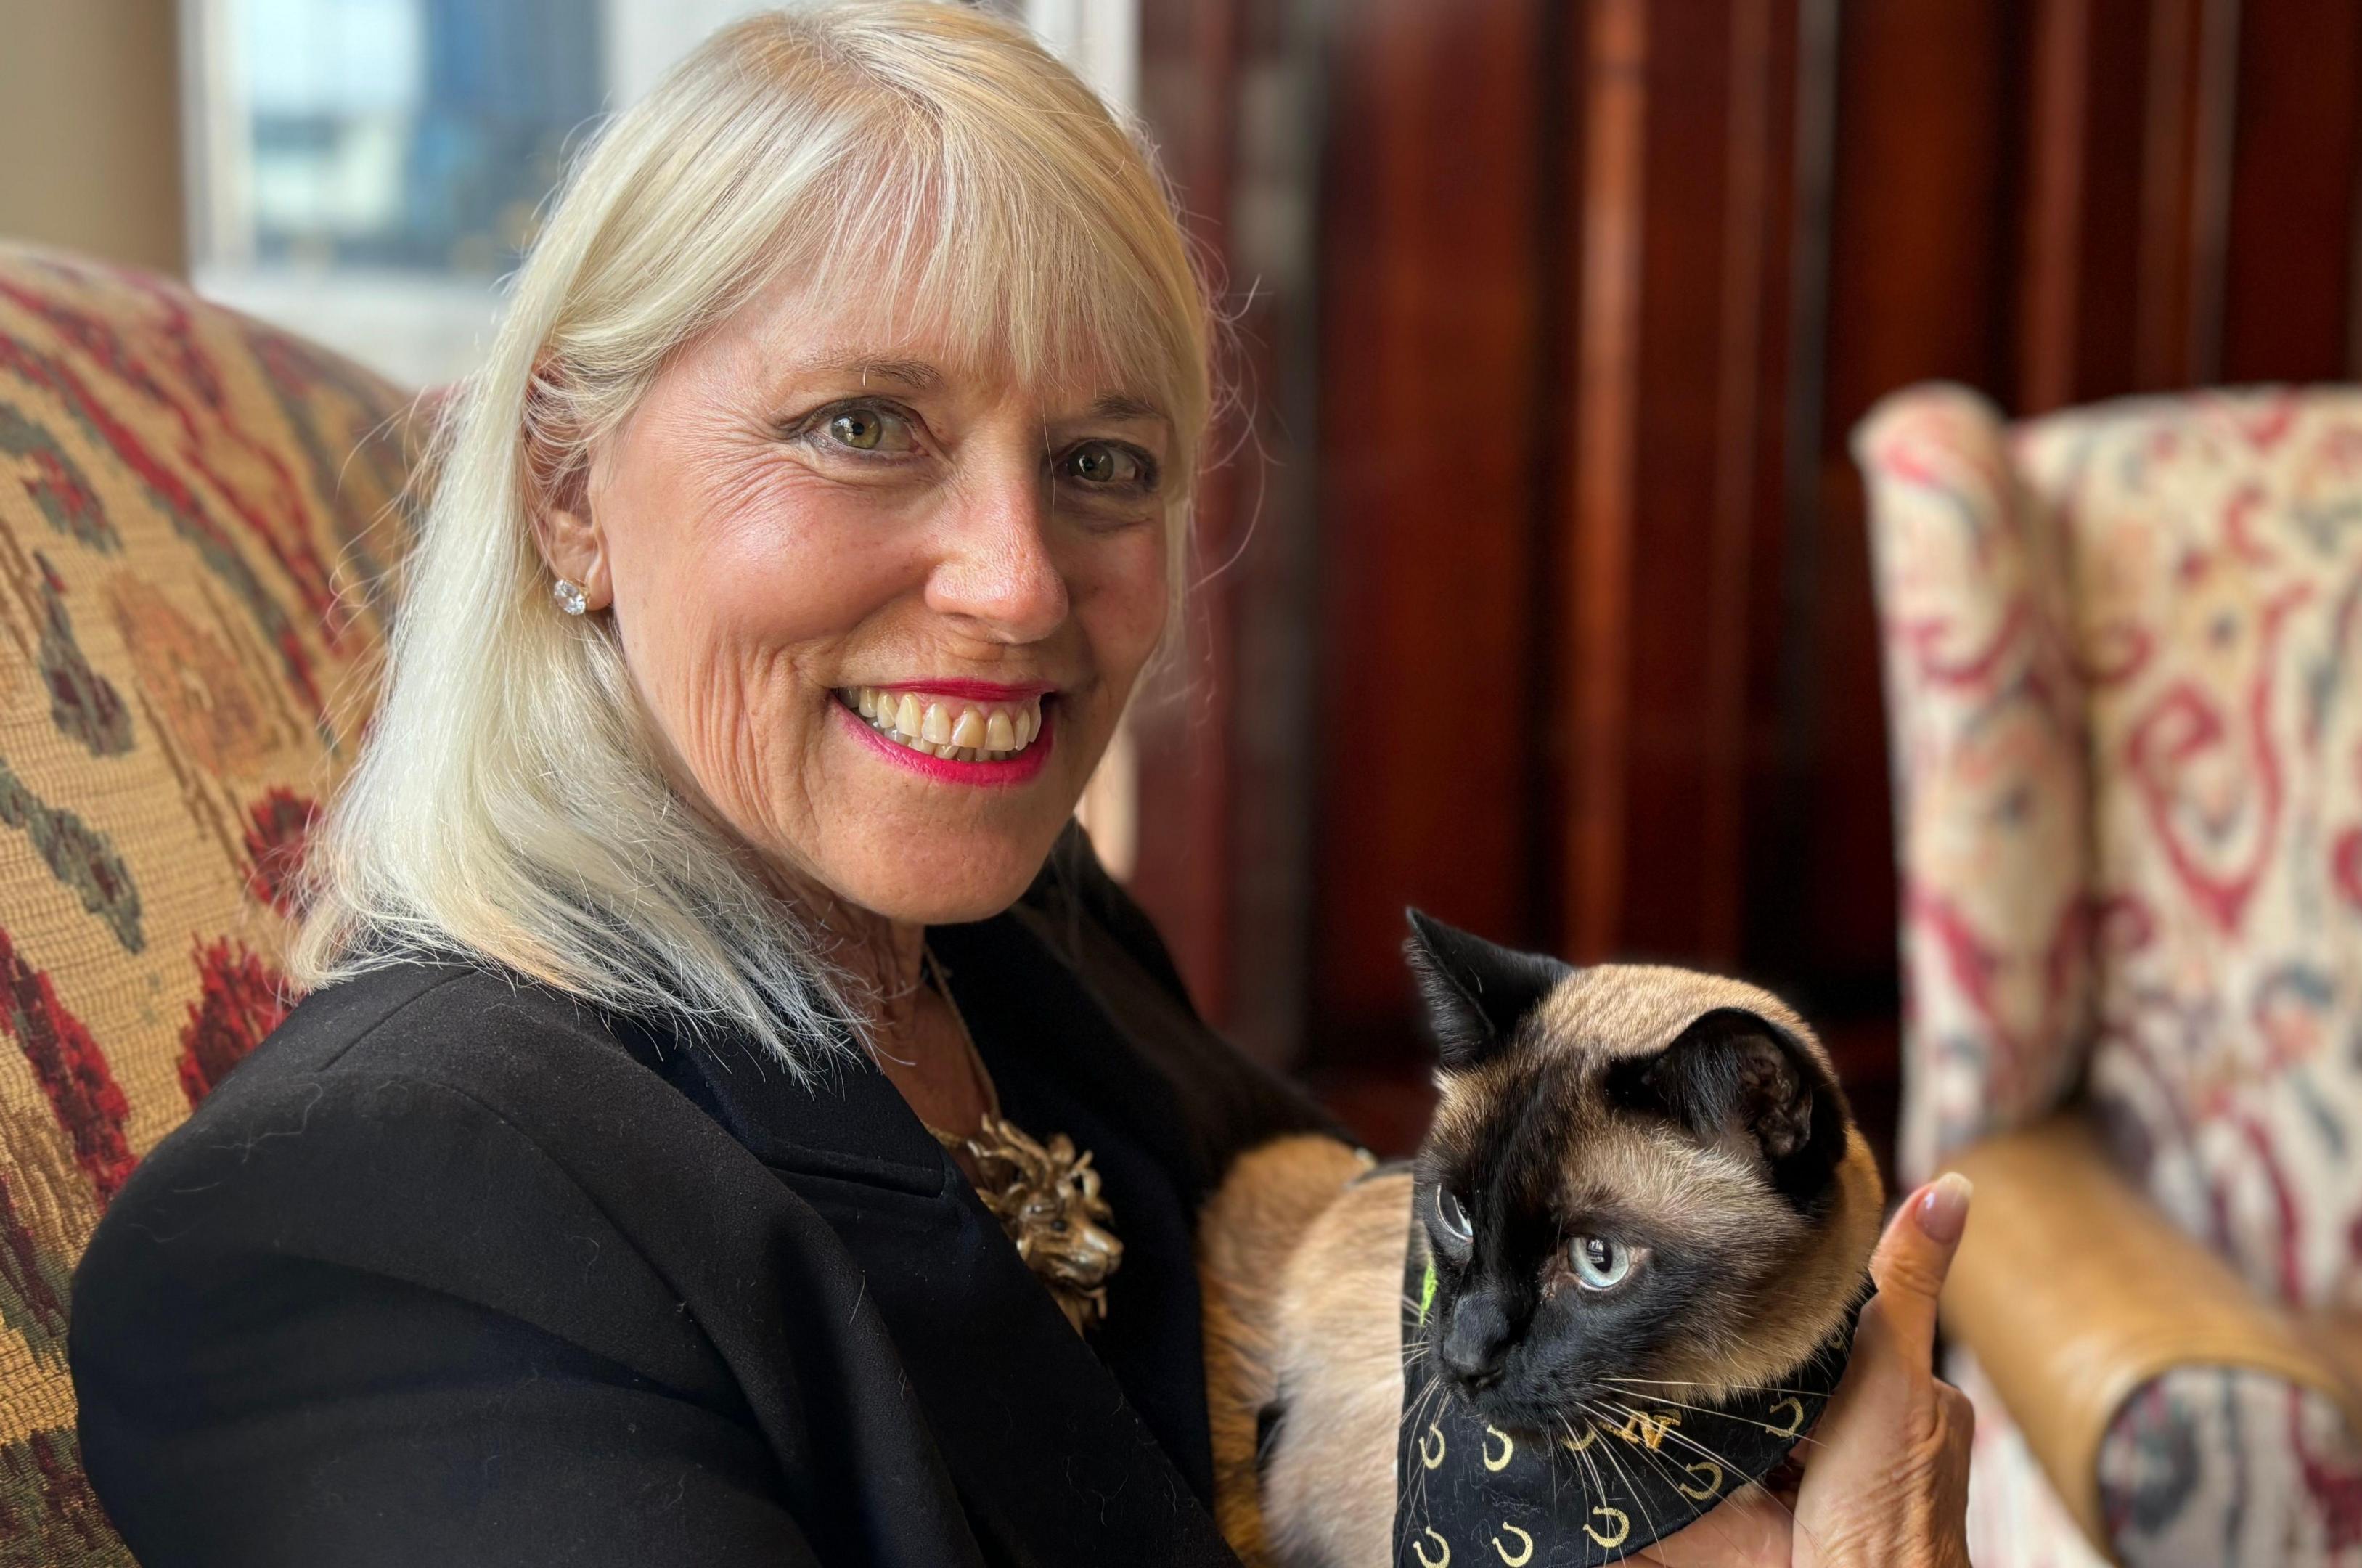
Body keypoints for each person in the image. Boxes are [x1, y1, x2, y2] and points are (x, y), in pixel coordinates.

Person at [68, 5, 1974, 1564]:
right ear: (569, 483)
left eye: (1100, 461)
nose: (1020, 583)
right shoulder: (373, 1219)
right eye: (863, 427)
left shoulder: (1014, 928)